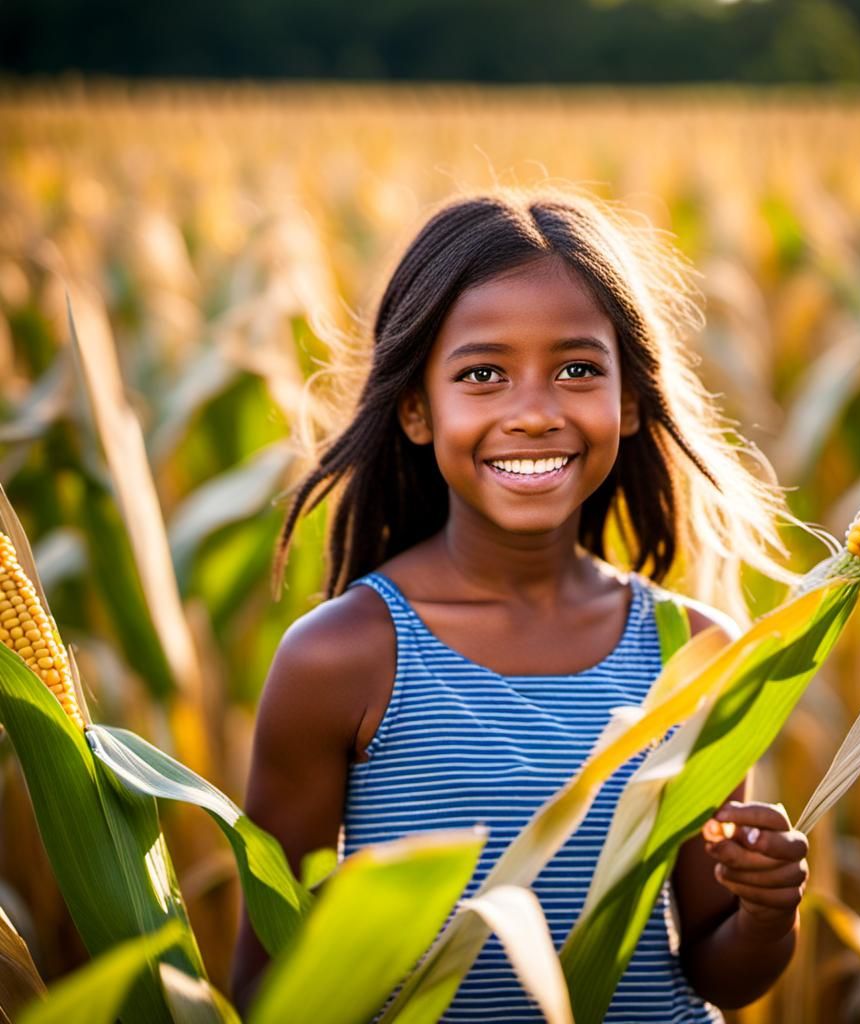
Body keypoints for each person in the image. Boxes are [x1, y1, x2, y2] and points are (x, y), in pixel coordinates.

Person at [230, 185, 810, 1021]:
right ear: (417, 410)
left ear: (631, 401)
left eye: (577, 371)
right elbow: (271, 984)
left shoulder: (694, 651)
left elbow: (720, 975)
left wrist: (766, 909)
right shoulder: (342, 659)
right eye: (484, 375)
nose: (534, 413)